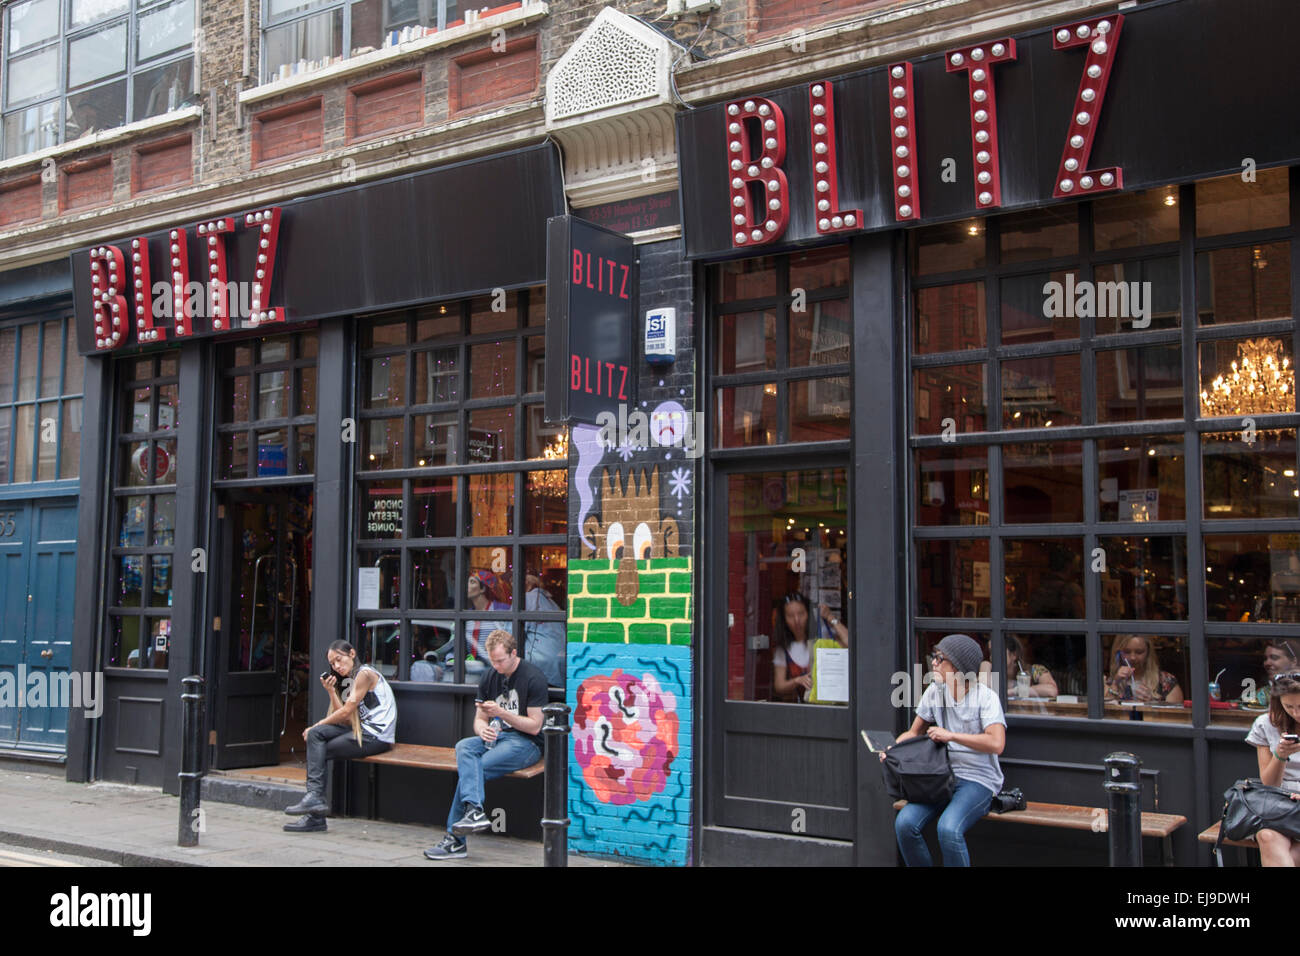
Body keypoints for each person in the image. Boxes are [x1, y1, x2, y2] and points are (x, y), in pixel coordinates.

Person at [424, 630, 547, 860]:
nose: (496, 665)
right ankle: (474, 812)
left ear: (514, 653)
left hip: (526, 743)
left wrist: (501, 713)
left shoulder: (533, 677)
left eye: (500, 660)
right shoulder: (490, 676)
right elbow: (479, 720)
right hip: (498, 738)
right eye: (492, 660)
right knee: (464, 747)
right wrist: (483, 730)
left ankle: (456, 838)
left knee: (472, 770)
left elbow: (534, 726)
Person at [889, 633, 1006, 867]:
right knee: (905, 823)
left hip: (979, 780)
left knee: (948, 829)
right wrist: (892, 752)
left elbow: (996, 743)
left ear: (959, 666)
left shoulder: (985, 697)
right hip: (941, 777)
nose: (933, 662)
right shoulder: (935, 692)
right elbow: (914, 733)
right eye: (934, 656)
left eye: (939, 658)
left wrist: (951, 736)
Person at [284, 639, 396, 832]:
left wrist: (315, 725)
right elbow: (346, 719)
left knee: (317, 743)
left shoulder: (365, 674)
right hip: (361, 731)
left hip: (376, 736)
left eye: (339, 659)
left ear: (351, 654)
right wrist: (330, 691)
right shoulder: (349, 680)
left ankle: (315, 812)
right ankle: (314, 802)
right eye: (332, 663)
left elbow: (345, 713)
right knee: (317, 738)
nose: (336, 666)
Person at [1244, 672, 1300, 866]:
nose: (1296, 713)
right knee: (1267, 837)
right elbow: (1270, 783)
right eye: (1289, 707)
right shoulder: (1266, 724)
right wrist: (1280, 756)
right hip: (1280, 803)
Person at [431, 569, 510, 682]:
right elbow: (455, 646)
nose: (467, 585)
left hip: (496, 673)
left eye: (472, 582)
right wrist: (451, 659)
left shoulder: (502, 611)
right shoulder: (466, 616)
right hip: (470, 672)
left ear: (483, 588)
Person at [771, 592, 849, 702]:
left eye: (801, 613)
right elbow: (779, 686)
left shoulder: (823, 637)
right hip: (802, 708)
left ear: (808, 613)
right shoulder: (783, 649)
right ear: (784, 619)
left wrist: (830, 617)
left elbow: (851, 644)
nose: (797, 620)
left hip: (830, 704)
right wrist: (797, 681)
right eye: (790, 616)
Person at [1104, 634, 1184, 704]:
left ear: (1148, 652)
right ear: (1118, 653)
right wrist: (1115, 683)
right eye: (1127, 652)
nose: (1133, 657)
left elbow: (1175, 716)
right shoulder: (1108, 681)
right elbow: (1106, 713)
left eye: (1139, 652)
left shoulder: (1166, 681)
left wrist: (1152, 703)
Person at [523, 570, 565, 686]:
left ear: (528, 584)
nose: (511, 585)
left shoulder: (527, 598)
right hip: (559, 664)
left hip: (541, 665)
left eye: (513, 581)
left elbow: (511, 634)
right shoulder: (550, 601)